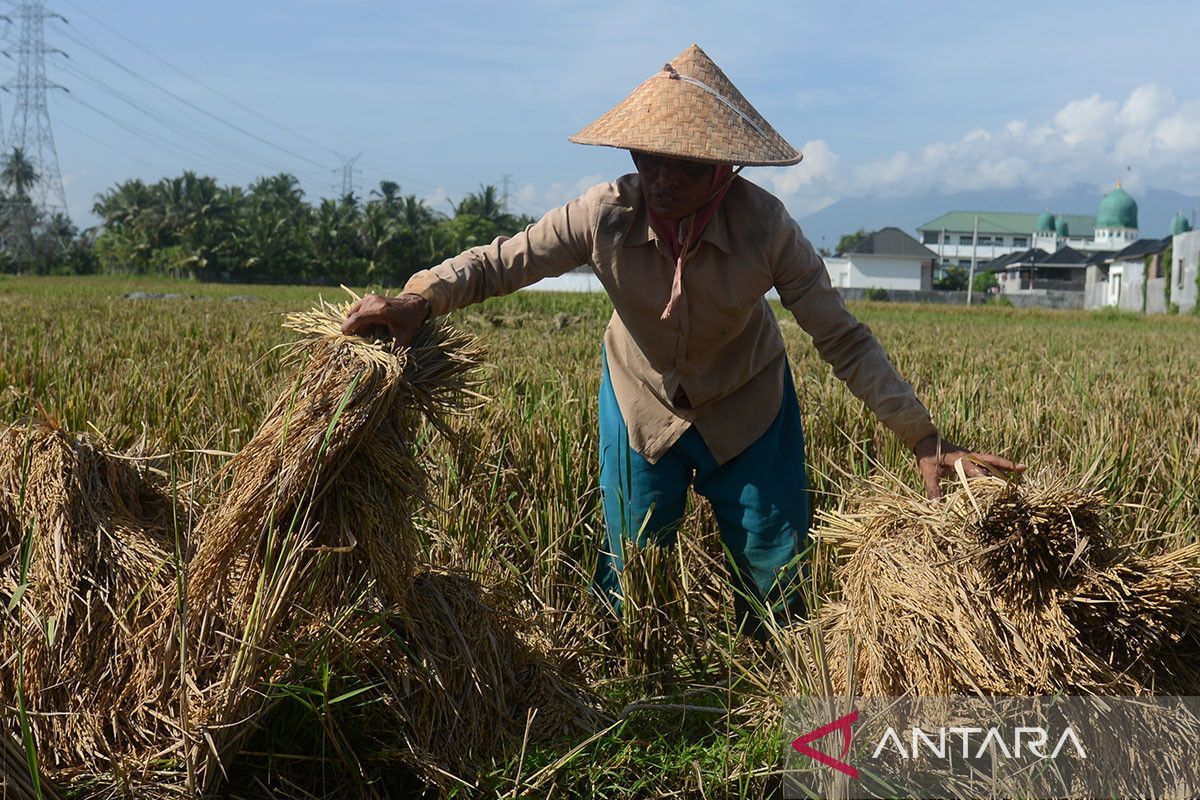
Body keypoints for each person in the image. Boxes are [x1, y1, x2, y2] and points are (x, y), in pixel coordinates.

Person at [341, 44, 1024, 630]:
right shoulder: (603, 214)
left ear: (725, 167)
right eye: (650, 158)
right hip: (641, 400)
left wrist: (926, 440)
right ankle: (630, 687)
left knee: (775, 567)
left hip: (747, 404)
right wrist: (417, 300)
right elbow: (500, 261)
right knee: (633, 562)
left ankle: (773, 698)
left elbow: (840, 337)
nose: (663, 177)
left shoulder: (767, 230)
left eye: (686, 165)